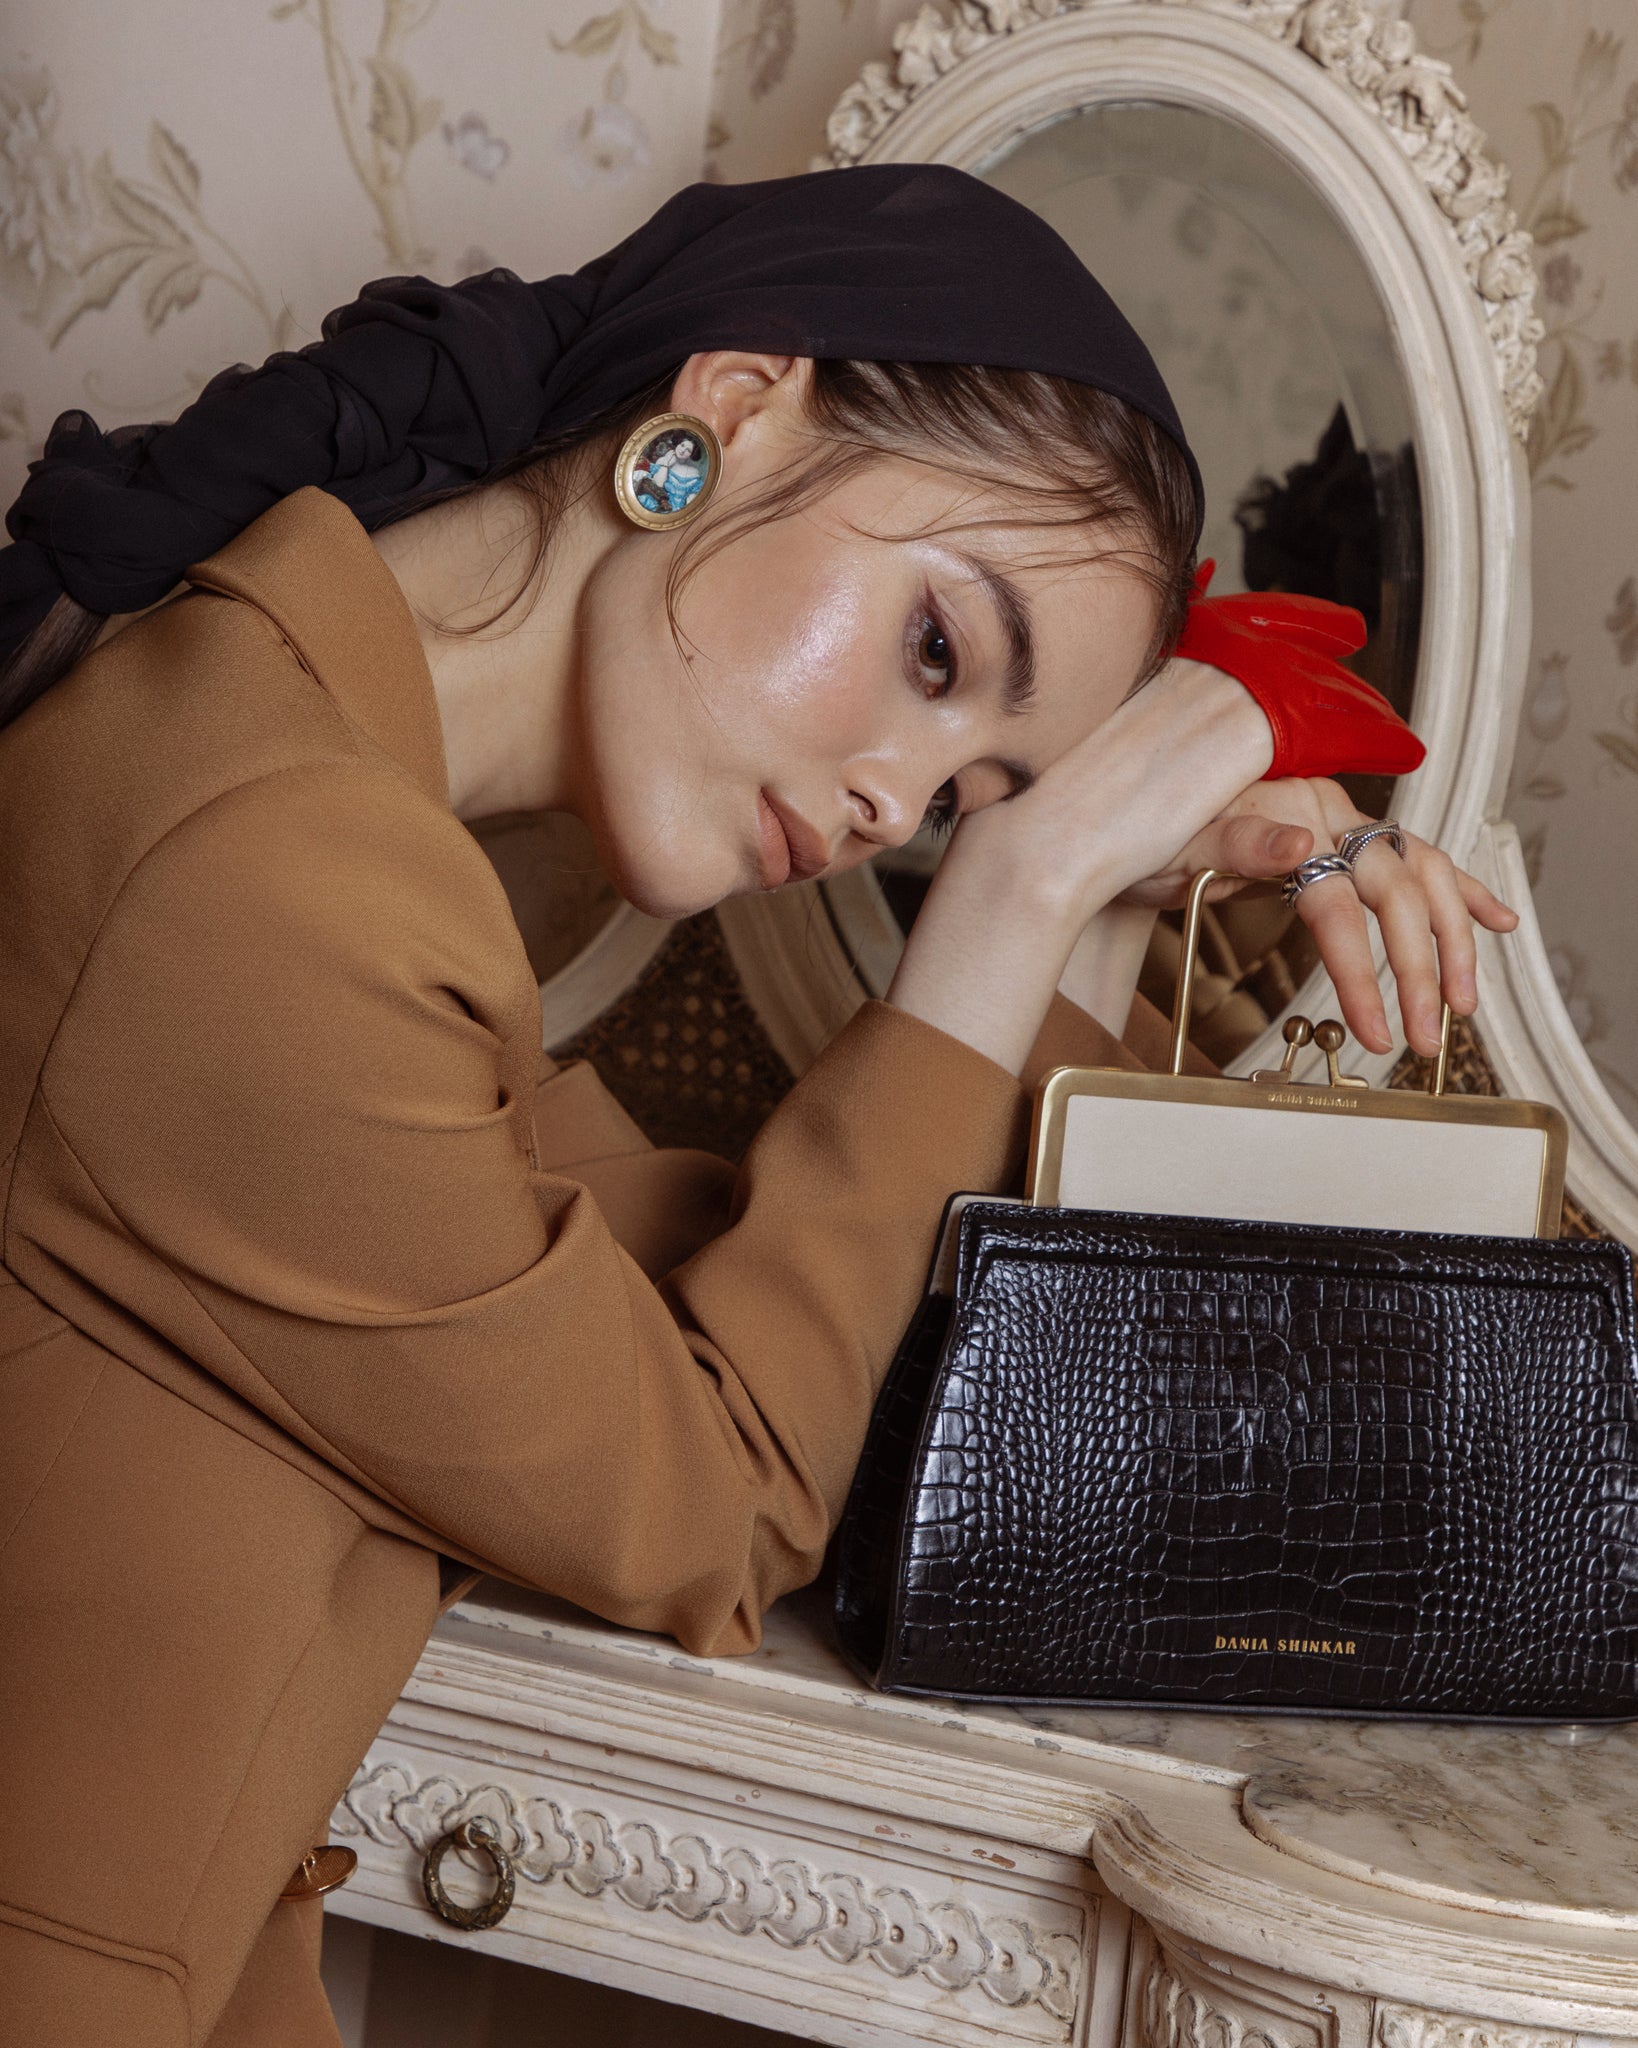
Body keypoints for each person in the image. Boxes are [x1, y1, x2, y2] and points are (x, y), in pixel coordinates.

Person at [0, 167, 1513, 2047]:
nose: (902, 802)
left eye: (972, 792)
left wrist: (1091, 885)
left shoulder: (329, 795)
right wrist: (1016, 892)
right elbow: (710, 1502)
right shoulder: (275, 876)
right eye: (937, 650)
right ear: (725, 409)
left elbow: (757, 1324)